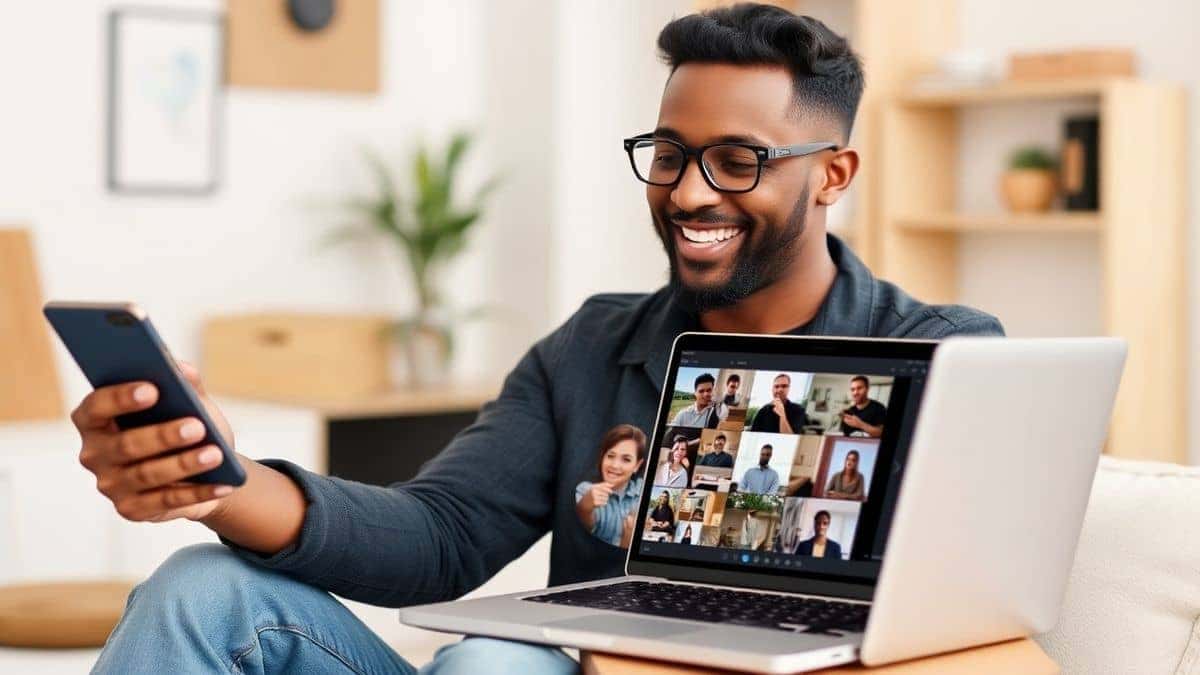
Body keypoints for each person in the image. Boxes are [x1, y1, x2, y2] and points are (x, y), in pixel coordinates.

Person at [75, 5, 1002, 672]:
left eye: (736, 160)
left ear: (832, 172)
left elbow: (971, 622)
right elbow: (436, 536)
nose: (686, 192)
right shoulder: (594, 346)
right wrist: (223, 484)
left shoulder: (950, 358)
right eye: (671, 154)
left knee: (496, 664)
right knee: (201, 584)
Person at [575, 425, 648, 548]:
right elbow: (582, 530)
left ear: (637, 465)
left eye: (626, 459)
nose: (615, 465)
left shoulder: (645, 489)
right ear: (602, 456)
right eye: (610, 456)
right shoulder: (584, 491)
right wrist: (585, 507)